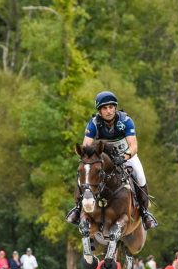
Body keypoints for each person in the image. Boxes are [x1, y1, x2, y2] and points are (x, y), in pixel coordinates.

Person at [66, 90, 158, 230]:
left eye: (111, 107)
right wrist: (86, 157)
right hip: (104, 159)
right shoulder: (94, 124)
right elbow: (86, 146)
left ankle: (145, 213)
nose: (109, 111)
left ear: (115, 107)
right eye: (105, 108)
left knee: (140, 176)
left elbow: (134, 146)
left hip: (125, 156)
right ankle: (78, 208)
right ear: (99, 110)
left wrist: (123, 157)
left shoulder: (125, 121)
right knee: (85, 173)